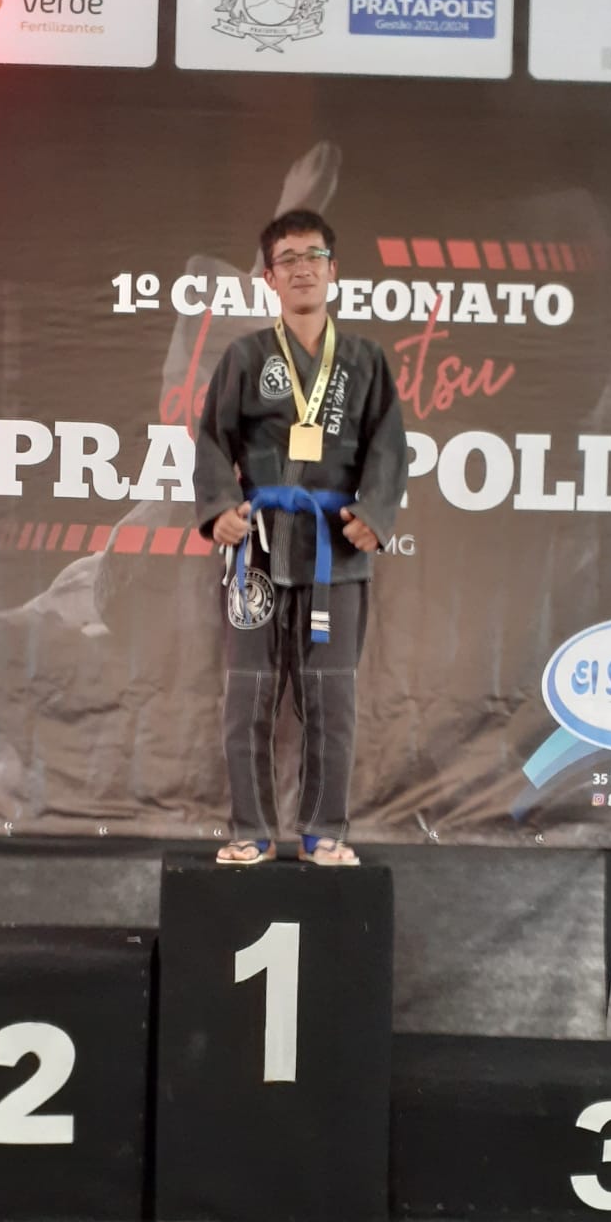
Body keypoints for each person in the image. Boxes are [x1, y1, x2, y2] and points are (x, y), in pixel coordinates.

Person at [194, 209, 408, 867]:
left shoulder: (366, 360)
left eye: (313, 256)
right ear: (270, 278)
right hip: (257, 548)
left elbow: (390, 447)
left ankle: (324, 832)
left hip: (334, 552)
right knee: (248, 694)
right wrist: (220, 509)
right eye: (287, 259)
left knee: (331, 697)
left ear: (333, 270)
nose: (302, 269)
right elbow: (211, 440)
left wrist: (375, 512)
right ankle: (251, 830)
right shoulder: (246, 357)